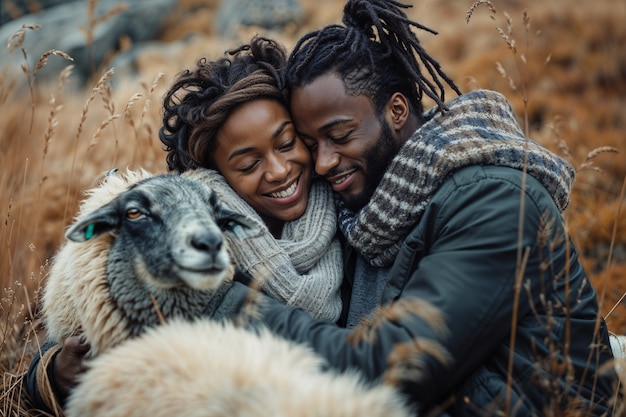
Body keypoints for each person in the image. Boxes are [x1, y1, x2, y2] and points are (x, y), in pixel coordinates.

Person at [180, 0, 619, 415]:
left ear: (395, 110)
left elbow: (390, 367)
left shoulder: (496, 202)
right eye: (310, 143)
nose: (322, 162)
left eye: (340, 135)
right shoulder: (362, 207)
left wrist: (224, 305)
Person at [24, 36, 344, 413]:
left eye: (287, 143)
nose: (279, 170)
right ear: (218, 176)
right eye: (248, 164)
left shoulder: (348, 208)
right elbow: (70, 333)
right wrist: (53, 372)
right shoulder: (188, 233)